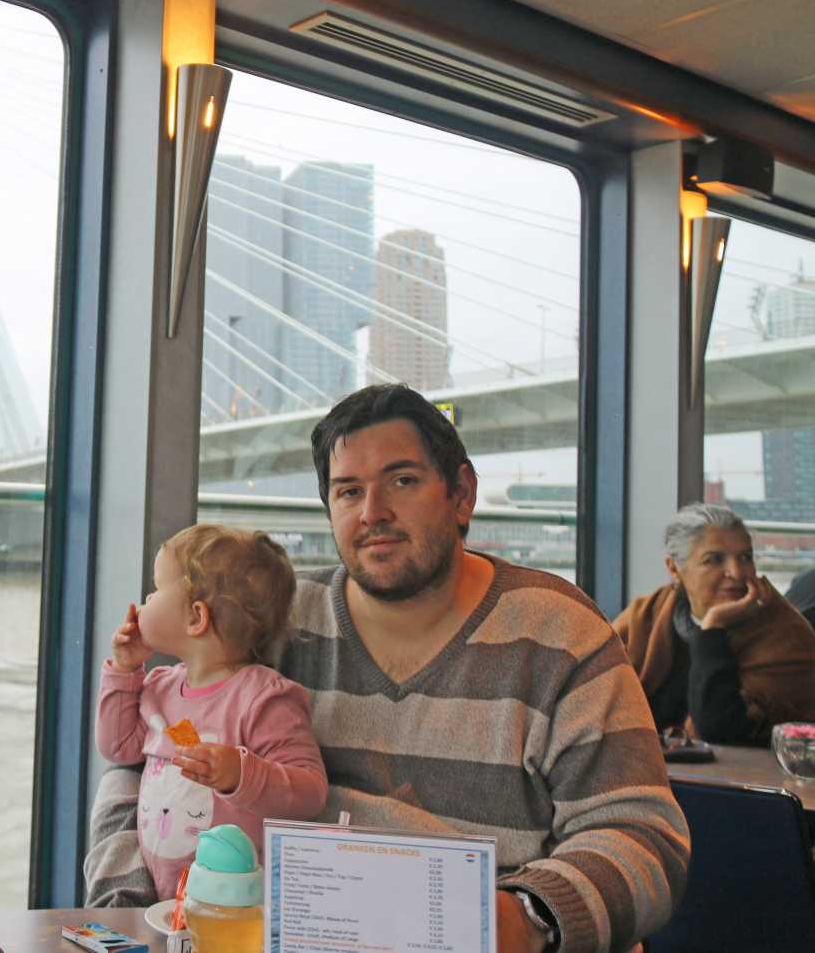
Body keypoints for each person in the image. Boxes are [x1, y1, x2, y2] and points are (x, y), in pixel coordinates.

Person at [85, 384, 688, 953]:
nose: (373, 512)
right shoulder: (275, 625)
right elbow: (144, 764)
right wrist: (127, 913)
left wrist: (524, 920)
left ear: (462, 494)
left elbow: (643, 836)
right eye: (348, 491)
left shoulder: (557, 634)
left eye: (402, 481)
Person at [94, 523, 328, 898]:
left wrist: (242, 774)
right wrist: (124, 670)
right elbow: (118, 747)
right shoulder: (159, 687)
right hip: (159, 901)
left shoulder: (263, 698)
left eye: (156, 588)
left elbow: (311, 793)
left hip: (235, 907)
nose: (145, 600)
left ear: (196, 617)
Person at [613, 503, 815, 746]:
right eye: (715, 560)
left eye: (745, 557)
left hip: (741, 769)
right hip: (644, 764)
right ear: (674, 569)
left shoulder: (786, 635)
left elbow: (721, 731)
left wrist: (712, 628)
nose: (737, 573)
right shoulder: (644, 619)